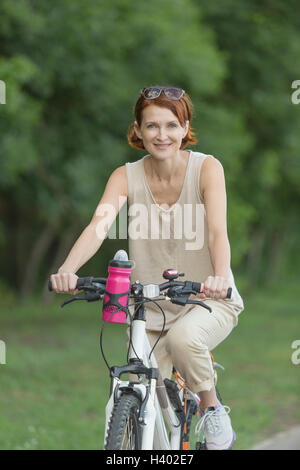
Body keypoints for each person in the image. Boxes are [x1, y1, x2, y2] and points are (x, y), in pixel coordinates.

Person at [50, 86, 244, 450]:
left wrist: (219, 276)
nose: (162, 135)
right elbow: (99, 226)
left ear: (185, 128)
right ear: (137, 130)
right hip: (147, 306)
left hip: (207, 298)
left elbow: (218, 231)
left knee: (184, 340)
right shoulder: (125, 177)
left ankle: (212, 408)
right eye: (151, 126)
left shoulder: (207, 168)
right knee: (145, 387)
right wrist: (68, 269)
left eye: (172, 125)